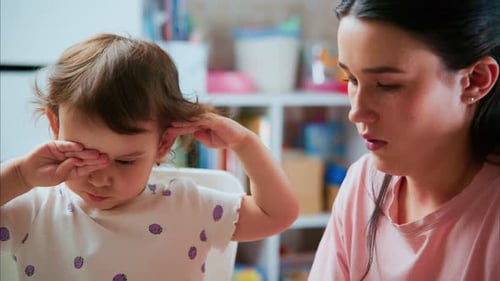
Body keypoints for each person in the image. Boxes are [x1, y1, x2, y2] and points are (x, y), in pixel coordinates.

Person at [0, 33, 299, 280]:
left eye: (125, 161)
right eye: (82, 156)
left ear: (163, 144)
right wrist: (20, 176)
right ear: (56, 127)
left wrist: (246, 143)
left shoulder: (188, 207)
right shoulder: (34, 207)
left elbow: (278, 214)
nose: (100, 178)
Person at [309, 0, 500, 280]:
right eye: (350, 79)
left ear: (475, 80)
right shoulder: (363, 182)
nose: (356, 112)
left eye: (387, 85)